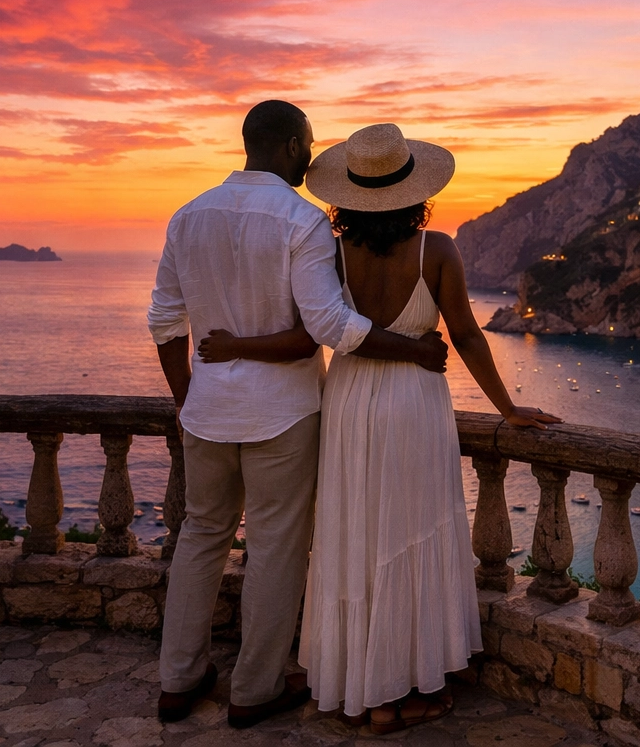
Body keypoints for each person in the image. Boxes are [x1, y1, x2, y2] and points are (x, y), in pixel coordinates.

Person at [196, 122, 560, 734]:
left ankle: (360, 686)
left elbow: (315, 328)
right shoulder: (437, 249)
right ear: (416, 191)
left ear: (349, 194)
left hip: (347, 399)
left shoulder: (331, 249)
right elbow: (467, 336)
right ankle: (401, 689)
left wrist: (232, 346)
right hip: (414, 400)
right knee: (411, 531)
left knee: (355, 536)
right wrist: (508, 408)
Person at [147, 102, 449, 729]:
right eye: (308, 144)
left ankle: (177, 680)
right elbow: (328, 324)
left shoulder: (188, 215)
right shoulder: (302, 220)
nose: (311, 156)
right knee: (275, 549)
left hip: (207, 413)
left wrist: (187, 397)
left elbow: (165, 321)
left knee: (200, 538)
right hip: (282, 414)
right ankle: (254, 689)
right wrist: (415, 350)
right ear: (289, 146)